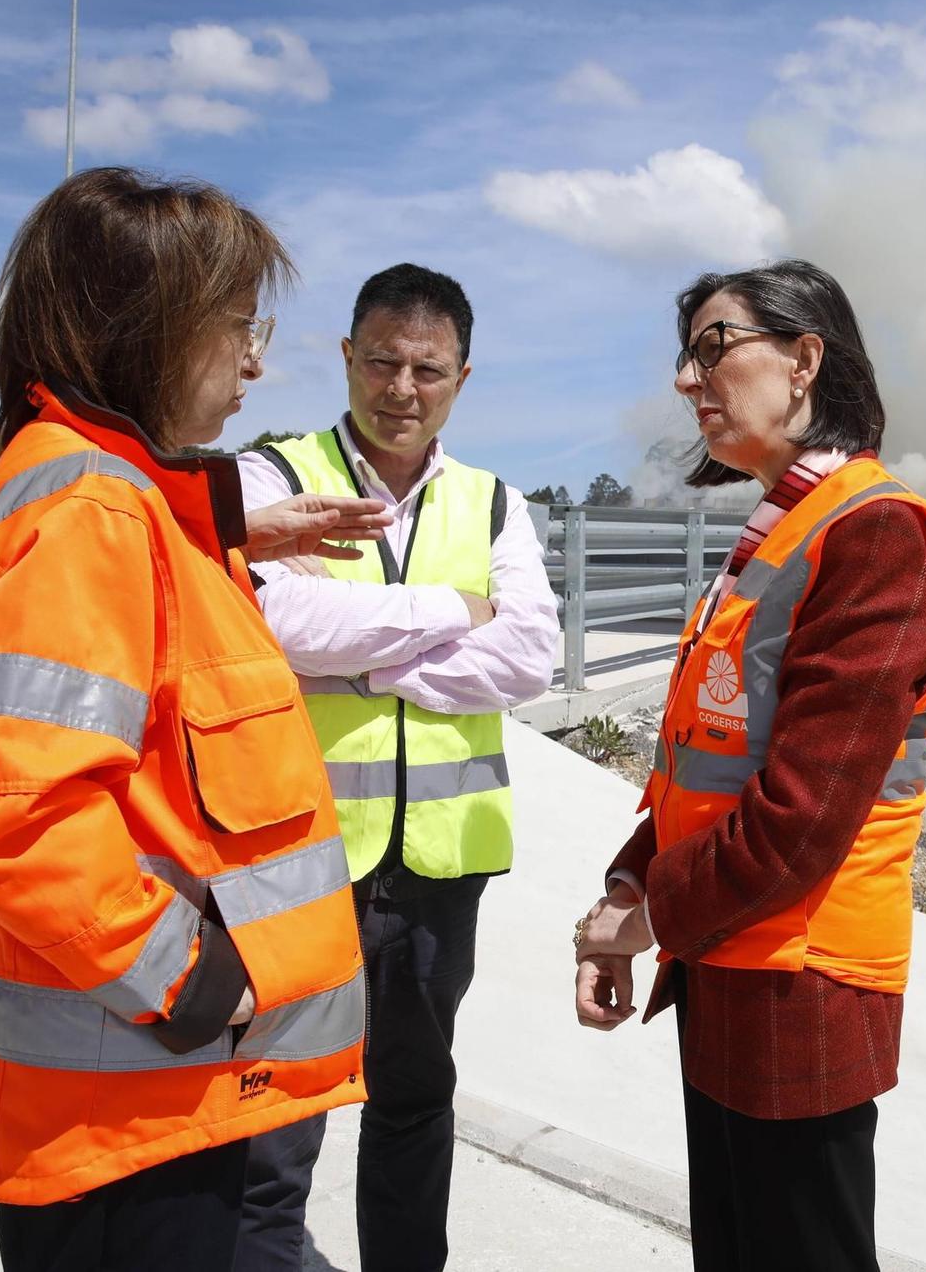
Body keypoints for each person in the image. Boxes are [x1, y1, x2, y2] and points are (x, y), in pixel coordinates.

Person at [0, 167, 397, 1272]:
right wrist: (190, 981)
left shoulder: (113, 499)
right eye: (234, 327)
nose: (253, 360)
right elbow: (15, 814)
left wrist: (230, 517)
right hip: (139, 1111)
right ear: (140, 331)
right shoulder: (88, 512)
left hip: (166, 1098)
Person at [571, 260, 926, 1271]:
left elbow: (801, 814)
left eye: (713, 346)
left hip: (801, 977)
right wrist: (633, 880)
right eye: (686, 355)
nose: (686, 378)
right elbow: (705, 759)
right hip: (729, 955)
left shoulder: (875, 535)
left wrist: (646, 916)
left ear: (803, 359)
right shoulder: (781, 531)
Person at [232, 263, 558, 1272]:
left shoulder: (494, 503)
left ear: (462, 375)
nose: (401, 388)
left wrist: (358, 665)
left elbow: (529, 656)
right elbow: (273, 620)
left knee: (414, 1099)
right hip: (298, 858)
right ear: (345, 356)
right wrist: (445, 615)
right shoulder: (272, 478)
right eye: (381, 361)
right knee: (275, 1111)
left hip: (437, 868)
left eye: (428, 367)